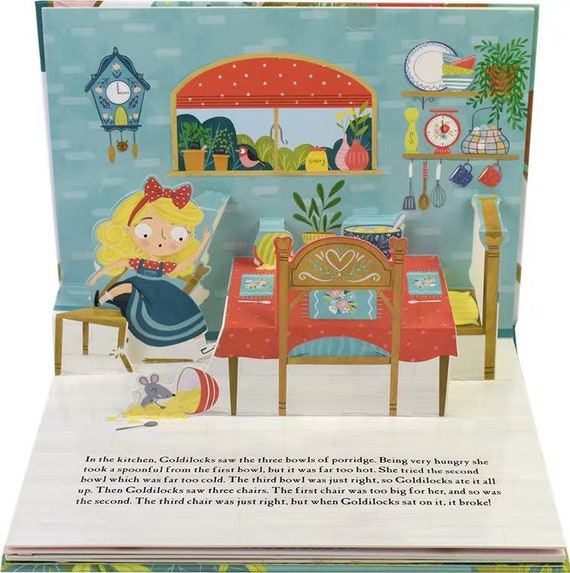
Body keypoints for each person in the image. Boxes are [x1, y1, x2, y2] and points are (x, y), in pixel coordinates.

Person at [88, 176, 212, 352]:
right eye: (145, 231)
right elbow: (116, 264)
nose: (160, 241)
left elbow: (187, 261)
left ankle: (202, 346)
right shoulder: (138, 262)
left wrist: (204, 240)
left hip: (161, 291)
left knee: (187, 308)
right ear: (128, 228)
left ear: (188, 236)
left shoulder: (164, 266)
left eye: (178, 234)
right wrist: (97, 276)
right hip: (140, 288)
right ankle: (100, 301)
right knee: (125, 287)